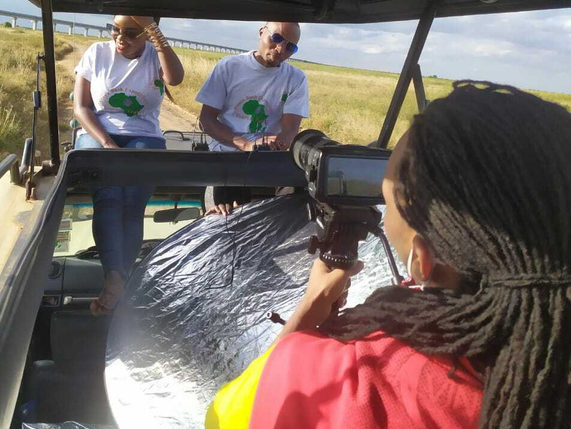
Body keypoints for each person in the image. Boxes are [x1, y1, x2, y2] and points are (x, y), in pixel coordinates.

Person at [206, 81, 571, 428]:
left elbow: (225, 416)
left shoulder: (352, 382)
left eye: (388, 193)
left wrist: (306, 313)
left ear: (422, 260)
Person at [73, 15, 184, 316]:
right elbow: (81, 107)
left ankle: (118, 280)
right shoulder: (97, 53)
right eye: (116, 30)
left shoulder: (154, 55)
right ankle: (116, 278)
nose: (121, 38)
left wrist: (155, 35)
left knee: (133, 204)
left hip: (144, 135)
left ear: (148, 33)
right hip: (98, 133)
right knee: (108, 197)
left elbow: (175, 79)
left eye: (132, 33)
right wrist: (107, 143)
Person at [196, 22, 309, 215]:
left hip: (267, 161)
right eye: (277, 38)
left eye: (290, 46)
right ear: (261, 32)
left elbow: (290, 130)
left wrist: (277, 144)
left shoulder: (296, 78)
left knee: (296, 205)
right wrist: (245, 144)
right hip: (227, 156)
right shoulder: (229, 66)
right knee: (225, 214)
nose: (281, 48)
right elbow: (206, 120)